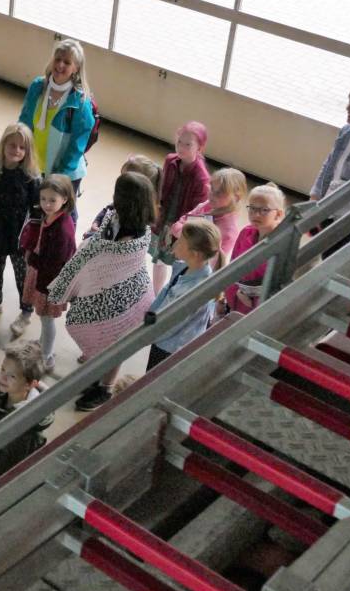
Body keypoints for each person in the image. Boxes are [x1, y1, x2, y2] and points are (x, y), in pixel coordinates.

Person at [49, 172, 156, 411]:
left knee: (113, 341)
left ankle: (105, 388)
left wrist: (91, 250)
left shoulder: (133, 236)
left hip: (123, 299)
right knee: (109, 343)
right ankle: (98, 378)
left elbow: (98, 258)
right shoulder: (116, 218)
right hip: (118, 293)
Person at [0, 123, 42, 337]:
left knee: (22, 276)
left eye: (22, 148)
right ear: (3, 146)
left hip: (20, 236)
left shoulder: (30, 178)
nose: (17, 151)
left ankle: (26, 312)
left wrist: (35, 236)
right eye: (12, 145)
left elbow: (37, 209)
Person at [18, 38, 96, 218]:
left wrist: (58, 176)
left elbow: (77, 145)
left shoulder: (80, 101)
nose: (60, 64)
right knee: (36, 210)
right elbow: (24, 122)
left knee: (63, 215)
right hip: (35, 165)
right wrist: (21, 154)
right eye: (57, 59)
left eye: (67, 62)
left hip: (65, 171)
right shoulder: (38, 86)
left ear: (76, 68)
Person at [0, 340, 49, 493]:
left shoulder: (25, 428)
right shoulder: (1, 391)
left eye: (12, 376)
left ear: (30, 384)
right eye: (2, 369)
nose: (2, 378)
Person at [146, 219, 222, 371]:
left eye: (180, 242)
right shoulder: (186, 267)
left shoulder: (195, 291)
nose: (175, 244)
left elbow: (173, 324)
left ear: (194, 254)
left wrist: (148, 336)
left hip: (170, 349)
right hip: (162, 337)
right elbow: (166, 291)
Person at [310, 80, 350, 256]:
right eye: (349, 102)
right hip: (328, 207)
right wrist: (315, 197)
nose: (349, 108)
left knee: (331, 257)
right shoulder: (346, 131)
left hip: (349, 219)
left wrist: (325, 210)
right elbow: (329, 164)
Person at [20, 175, 77, 371]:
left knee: (47, 319)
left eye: (52, 200)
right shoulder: (53, 216)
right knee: (44, 319)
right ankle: (43, 342)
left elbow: (54, 263)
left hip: (50, 281)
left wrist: (32, 260)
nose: (46, 204)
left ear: (65, 199)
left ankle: (47, 356)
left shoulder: (62, 229)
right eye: (43, 199)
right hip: (44, 274)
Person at [151, 121, 211, 294]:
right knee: (159, 260)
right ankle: (156, 294)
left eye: (188, 144)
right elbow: (162, 190)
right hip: (165, 219)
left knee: (179, 264)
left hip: (182, 226)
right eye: (179, 142)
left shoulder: (202, 179)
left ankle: (171, 295)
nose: (181, 147)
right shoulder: (170, 160)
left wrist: (182, 231)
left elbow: (197, 212)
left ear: (200, 148)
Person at [222, 184, 286, 315]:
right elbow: (233, 266)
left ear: (278, 214)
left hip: (257, 309)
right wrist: (227, 295)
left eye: (264, 210)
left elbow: (278, 285)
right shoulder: (246, 232)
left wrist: (251, 298)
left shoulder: (283, 243)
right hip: (234, 299)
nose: (255, 214)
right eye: (252, 208)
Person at [168, 167, 247, 267]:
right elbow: (178, 224)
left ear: (236, 197)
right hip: (182, 261)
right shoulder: (207, 205)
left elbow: (214, 264)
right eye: (212, 188)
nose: (212, 195)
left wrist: (185, 236)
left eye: (219, 193)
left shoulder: (229, 232)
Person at [86, 154, 161, 239]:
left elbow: (117, 245)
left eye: (124, 177)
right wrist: (97, 222)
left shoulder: (139, 221)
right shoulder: (125, 198)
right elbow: (109, 208)